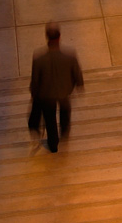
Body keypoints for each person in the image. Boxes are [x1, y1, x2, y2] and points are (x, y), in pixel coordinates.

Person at [28, 22, 84, 153]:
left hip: (46, 95)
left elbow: (35, 80)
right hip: (64, 92)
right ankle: (64, 132)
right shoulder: (69, 56)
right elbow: (77, 74)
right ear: (59, 37)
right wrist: (79, 84)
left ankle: (53, 144)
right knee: (65, 111)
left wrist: (34, 93)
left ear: (47, 37)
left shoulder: (38, 59)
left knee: (50, 120)